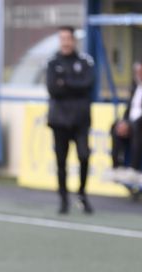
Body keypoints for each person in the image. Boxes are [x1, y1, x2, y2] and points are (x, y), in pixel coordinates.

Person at [46, 26, 95, 214]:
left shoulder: (85, 61)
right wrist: (74, 85)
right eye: (62, 38)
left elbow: (87, 85)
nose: (65, 42)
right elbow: (53, 89)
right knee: (61, 161)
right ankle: (63, 198)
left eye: (68, 38)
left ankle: (82, 194)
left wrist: (65, 82)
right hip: (59, 120)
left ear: (74, 40)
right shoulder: (53, 62)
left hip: (80, 119)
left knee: (84, 156)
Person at [111, 62, 142, 173]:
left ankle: (134, 167)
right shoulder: (135, 87)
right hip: (131, 121)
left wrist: (132, 123)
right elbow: (128, 108)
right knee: (115, 126)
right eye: (137, 73)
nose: (139, 76)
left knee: (140, 127)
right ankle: (116, 166)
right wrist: (124, 122)